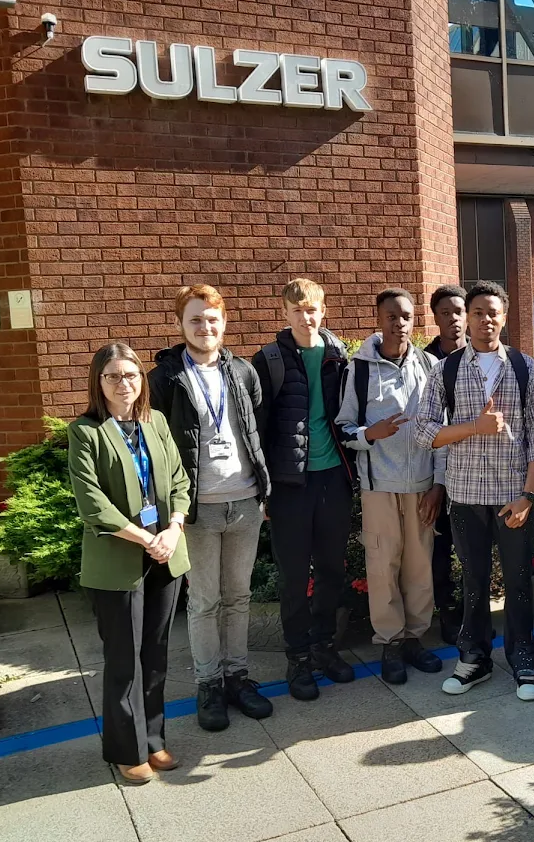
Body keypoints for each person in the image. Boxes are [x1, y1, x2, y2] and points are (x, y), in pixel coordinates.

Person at [415, 282, 534, 701]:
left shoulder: (525, 368)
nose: (485, 320)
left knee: (518, 581)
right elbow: (424, 431)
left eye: (493, 312)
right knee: (473, 581)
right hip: (466, 496)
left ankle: (523, 658)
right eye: (477, 312)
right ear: (467, 318)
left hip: (513, 498)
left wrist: (528, 497)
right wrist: (474, 426)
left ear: (504, 317)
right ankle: (474, 658)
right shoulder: (446, 369)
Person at [149, 285, 273, 733]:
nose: (205, 327)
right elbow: (155, 444)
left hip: (244, 501)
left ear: (224, 322)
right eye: (195, 319)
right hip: (196, 509)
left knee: (238, 597)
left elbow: (255, 428)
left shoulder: (241, 371)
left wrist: (264, 492)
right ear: (180, 325)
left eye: (212, 319)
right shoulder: (165, 378)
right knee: (204, 601)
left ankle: (237, 677)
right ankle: (209, 684)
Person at [68, 343, 191, 784]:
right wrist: (144, 538)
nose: (124, 383)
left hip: (164, 554)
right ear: (98, 382)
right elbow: (92, 503)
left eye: (131, 374)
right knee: (124, 661)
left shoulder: (155, 422)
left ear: (142, 379)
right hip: (117, 561)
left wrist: (173, 529)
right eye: (113, 376)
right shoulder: (86, 432)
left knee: (155, 656)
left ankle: (153, 740)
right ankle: (127, 750)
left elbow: (179, 480)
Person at [336, 288, 446, 685]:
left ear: (414, 320)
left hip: (421, 486)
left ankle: (414, 638)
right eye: (391, 316)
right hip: (379, 485)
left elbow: (442, 430)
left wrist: (438, 483)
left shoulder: (430, 366)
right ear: (378, 319)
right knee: (383, 567)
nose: (399, 323)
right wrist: (370, 433)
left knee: (419, 567)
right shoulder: (360, 370)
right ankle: (391, 642)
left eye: (405, 316)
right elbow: (343, 427)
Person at [252, 278, 356, 701]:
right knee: (294, 576)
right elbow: (257, 429)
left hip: (333, 477)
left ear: (323, 311)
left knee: (331, 570)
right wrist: (263, 488)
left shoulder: (339, 357)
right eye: (296, 310)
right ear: (285, 313)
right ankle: (297, 657)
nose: (305, 317)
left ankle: (324, 646)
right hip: (289, 484)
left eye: (311, 309)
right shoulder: (269, 359)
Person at [424, 284, 467, 645]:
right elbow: (428, 426)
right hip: (439, 473)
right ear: (435, 318)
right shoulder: (425, 363)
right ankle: (448, 614)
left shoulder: (485, 357)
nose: (453, 319)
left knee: (474, 549)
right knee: (441, 549)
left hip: (479, 473)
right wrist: (437, 483)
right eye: (445, 313)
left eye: (459, 311)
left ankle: (473, 612)